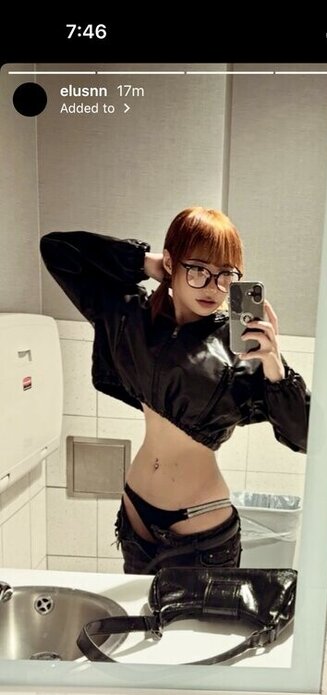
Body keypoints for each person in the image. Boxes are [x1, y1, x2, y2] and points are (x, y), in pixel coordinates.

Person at [40, 207, 310, 574]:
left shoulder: (241, 350)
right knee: (141, 611)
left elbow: (305, 436)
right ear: (172, 262)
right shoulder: (133, 317)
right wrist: (145, 263)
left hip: (200, 529)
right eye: (198, 270)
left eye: (225, 275)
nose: (213, 287)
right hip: (135, 515)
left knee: (194, 617)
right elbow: (57, 249)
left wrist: (275, 366)